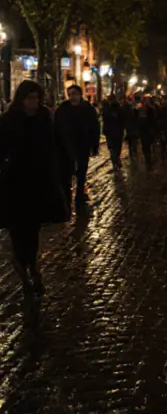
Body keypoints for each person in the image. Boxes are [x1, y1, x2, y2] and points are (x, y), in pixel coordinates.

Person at [0, 81, 68, 297]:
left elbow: (55, 147)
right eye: (30, 98)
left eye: (37, 98)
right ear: (21, 99)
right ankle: (25, 265)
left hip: (39, 182)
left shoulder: (45, 119)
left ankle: (30, 263)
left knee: (33, 227)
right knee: (17, 226)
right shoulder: (8, 121)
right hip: (14, 182)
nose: (34, 102)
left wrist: (62, 170)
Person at [54, 83, 101, 206]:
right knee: (66, 173)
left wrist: (94, 145)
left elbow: (95, 128)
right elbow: (56, 127)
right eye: (69, 95)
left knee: (81, 171)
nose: (72, 97)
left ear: (80, 95)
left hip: (83, 145)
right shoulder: (62, 109)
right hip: (65, 146)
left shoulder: (88, 109)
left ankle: (79, 195)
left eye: (74, 94)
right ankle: (67, 198)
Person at [102, 94, 127, 169]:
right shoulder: (118, 108)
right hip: (116, 132)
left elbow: (105, 120)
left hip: (111, 132)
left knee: (112, 148)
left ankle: (115, 161)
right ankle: (116, 160)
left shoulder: (108, 109)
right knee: (116, 147)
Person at [136, 95, 159, 170]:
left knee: (148, 144)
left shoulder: (151, 110)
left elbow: (154, 121)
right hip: (143, 131)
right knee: (144, 145)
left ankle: (148, 158)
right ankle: (147, 157)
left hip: (149, 130)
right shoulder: (140, 110)